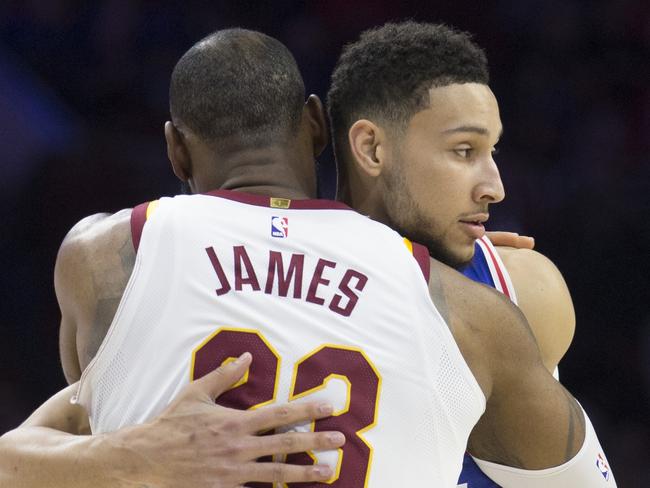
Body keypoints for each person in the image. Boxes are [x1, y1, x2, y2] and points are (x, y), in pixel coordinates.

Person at [1, 27, 614, 487]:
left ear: (175, 152)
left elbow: (35, 444)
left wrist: (127, 455)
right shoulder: (471, 309)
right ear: (318, 124)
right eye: (463, 151)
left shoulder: (106, 255)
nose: (493, 186)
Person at [325, 21, 602, 486]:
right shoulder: (260, 275)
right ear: (371, 149)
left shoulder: (522, 290)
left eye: (492, 150)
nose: (495, 187)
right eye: (464, 150)